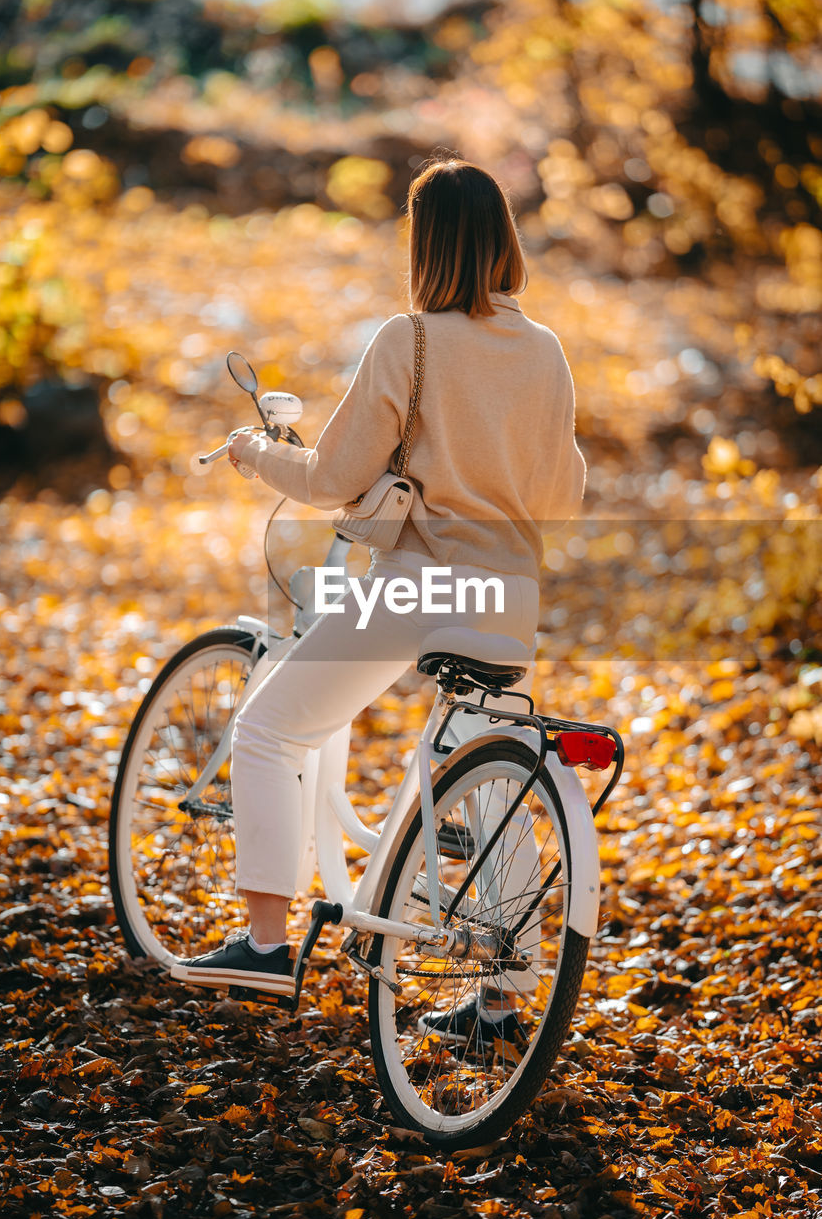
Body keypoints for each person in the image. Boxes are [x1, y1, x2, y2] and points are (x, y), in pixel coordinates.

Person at [170, 158, 586, 1043]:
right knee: (488, 776)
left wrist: (253, 454)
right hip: (510, 598)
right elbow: (565, 494)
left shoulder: (412, 339)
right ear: (504, 241)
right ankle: (504, 999)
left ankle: (264, 944)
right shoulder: (545, 351)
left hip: (421, 584)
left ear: (425, 243)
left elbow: (329, 477)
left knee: (267, 728)